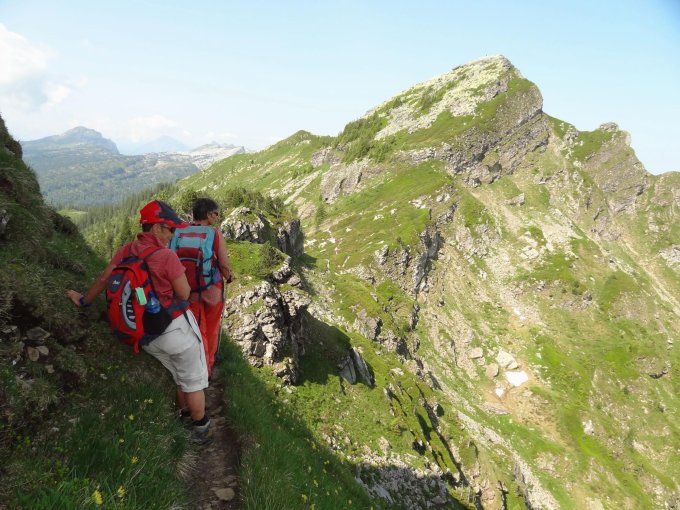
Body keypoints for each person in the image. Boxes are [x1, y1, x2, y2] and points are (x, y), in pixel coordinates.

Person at [66, 200, 211, 443]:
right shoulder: (166, 256)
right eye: (170, 229)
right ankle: (200, 428)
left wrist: (83, 300)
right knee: (193, 380)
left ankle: (184, 415)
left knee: (178, 374)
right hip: (174, 330)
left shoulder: (126, 251)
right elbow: (184, 293)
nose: (172, 235)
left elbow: (103, 279)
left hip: (145, 334)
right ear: (156, 228)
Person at [172, 197, 232, 378]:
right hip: (211, 289)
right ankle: (208, 368)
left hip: (186, 289)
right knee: (211, 330)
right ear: (208, 215)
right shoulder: (213, 233)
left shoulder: (179, 232)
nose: (217, 217)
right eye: (216, 213)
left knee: (197, 329)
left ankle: (195, 367)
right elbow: (224, 265)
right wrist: (229, 277)